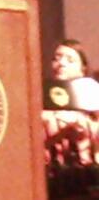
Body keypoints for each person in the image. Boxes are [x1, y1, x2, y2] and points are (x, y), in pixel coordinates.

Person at [42, 39, 99, 197]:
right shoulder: (41, 100)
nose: (61, 63)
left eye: (70, 59)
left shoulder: (94, 99)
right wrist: (61, 133)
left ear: (82, 69)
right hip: (55, 181)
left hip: (91, 179)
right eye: (56, 58)